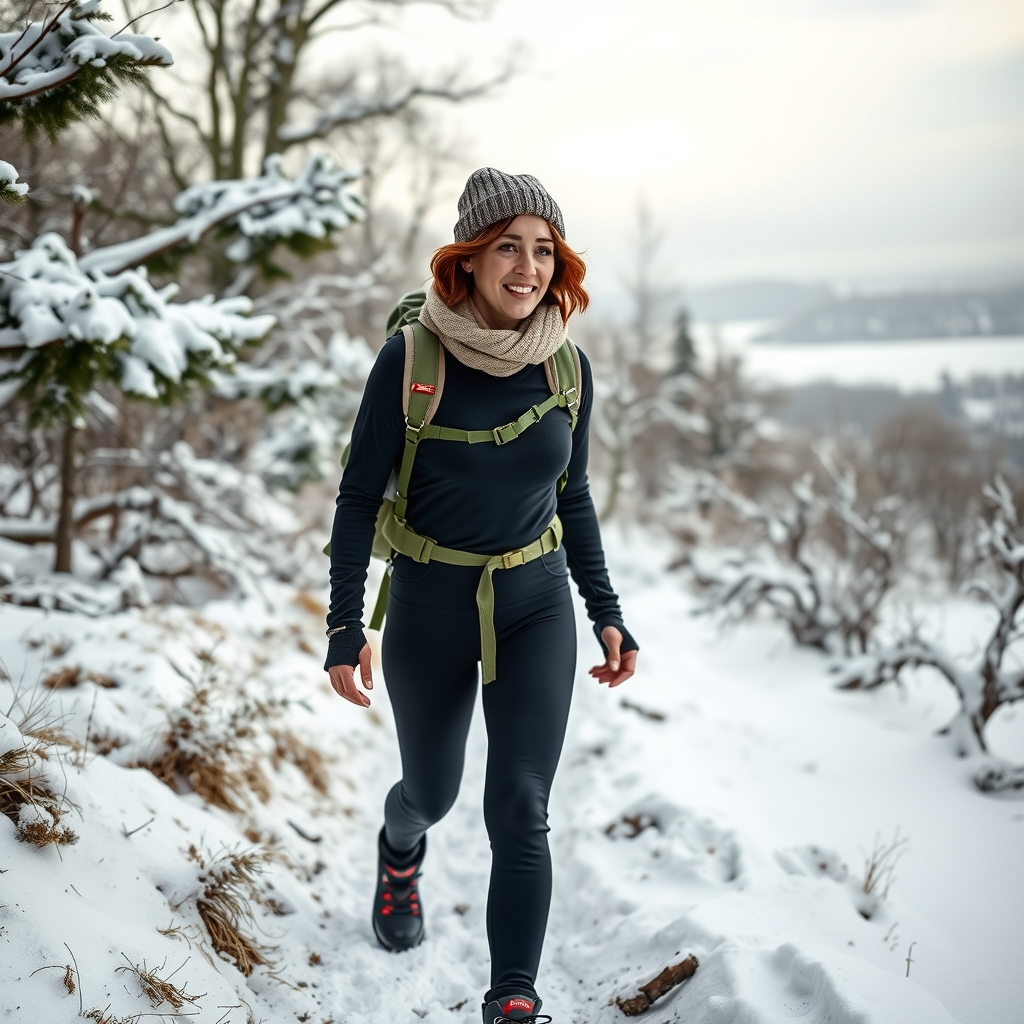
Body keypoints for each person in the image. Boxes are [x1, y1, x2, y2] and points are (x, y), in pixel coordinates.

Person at [324, 167, 639, 1024]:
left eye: (544, 250)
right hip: (430, 604)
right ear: (467, 260)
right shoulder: (412, 359)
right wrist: (344, 624)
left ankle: (513, 1000)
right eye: (510, 247)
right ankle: (399, 853)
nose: (529, 267)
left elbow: (572, 498)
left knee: (521, 805)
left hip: (534, 602)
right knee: (431, 792)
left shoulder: (566, 370)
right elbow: (357, 496)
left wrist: (606, 610)